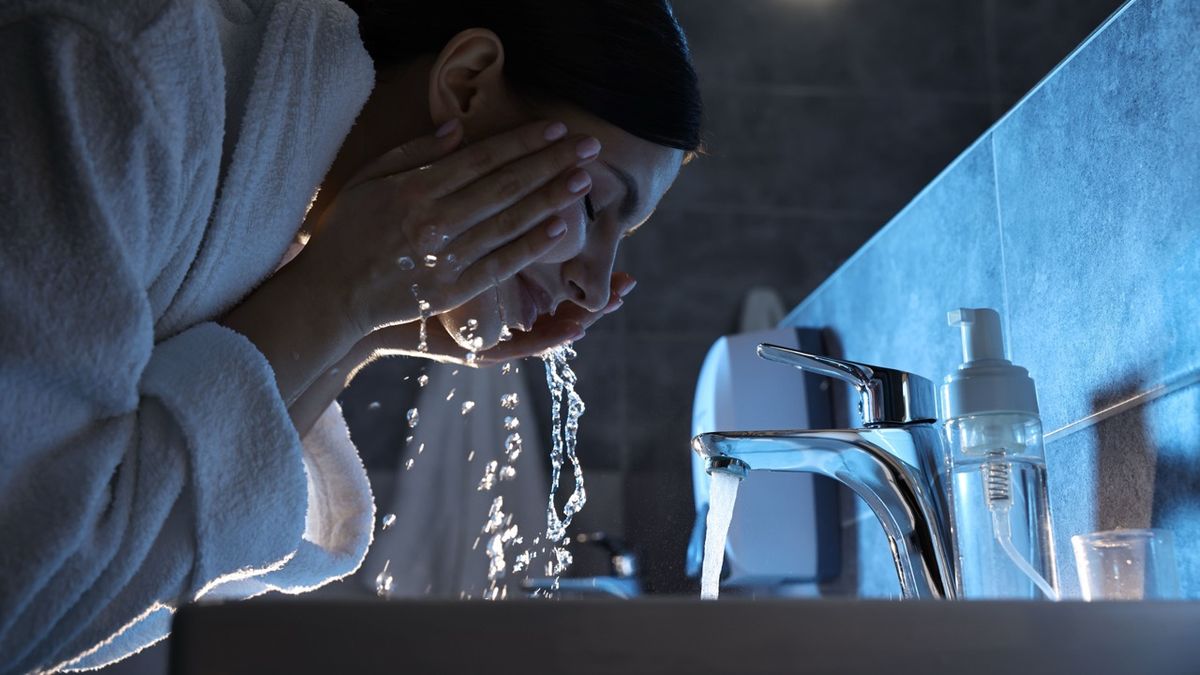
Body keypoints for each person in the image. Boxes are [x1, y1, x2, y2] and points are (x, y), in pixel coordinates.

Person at [0, 0, 702, 671]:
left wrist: (362, 330)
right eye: (589, 201)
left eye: (623, 238)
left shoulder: (270, 202)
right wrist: (335, 295)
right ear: (465, 85)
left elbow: (142, 572)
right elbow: (25, 592)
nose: (596, 281)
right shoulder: (109, 77)